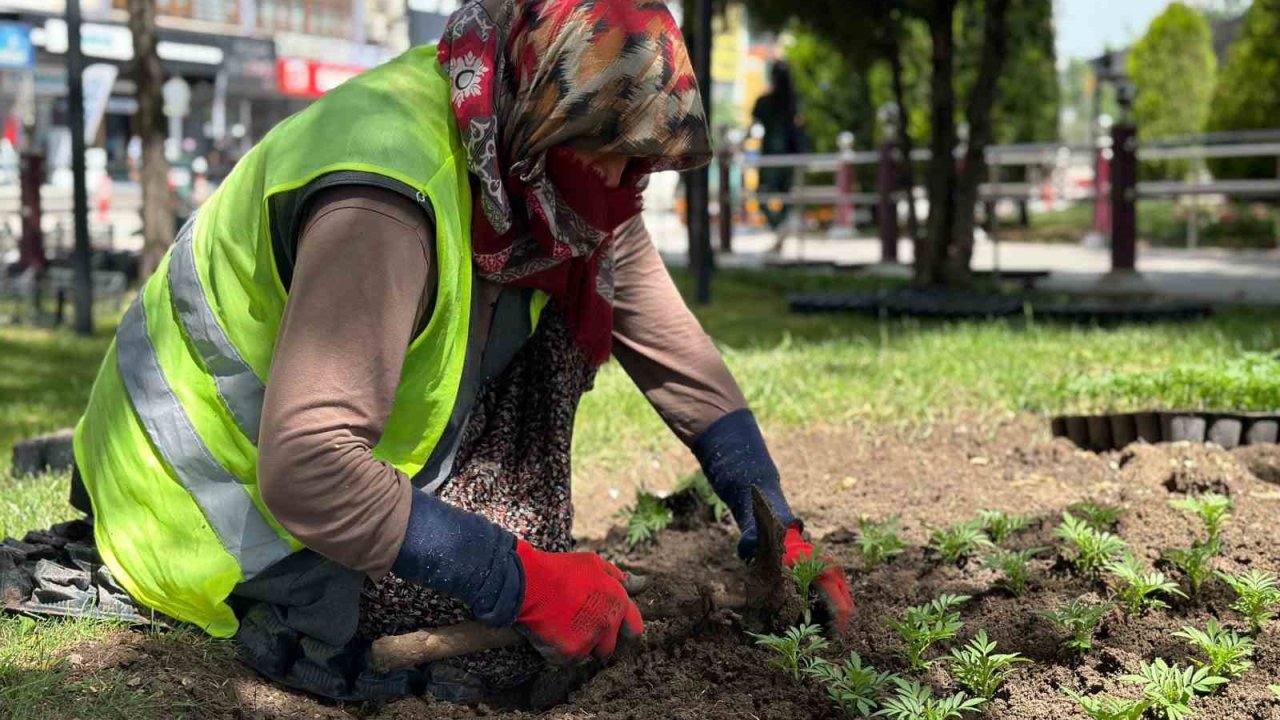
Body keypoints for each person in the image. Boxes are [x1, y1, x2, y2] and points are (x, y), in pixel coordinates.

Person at [67, 0, 852, 704]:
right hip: (204, 512)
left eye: (639, 158)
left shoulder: (529, 154)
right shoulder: (385, 193)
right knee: (496, 638)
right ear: (544, 105)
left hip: (300, 466)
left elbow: (676, 352)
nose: (622, 179)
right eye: (608, 151)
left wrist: (773, 520)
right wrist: (517, 581)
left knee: (581, 285)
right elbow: (307, 469)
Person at [751, 61, 807, 254]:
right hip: (790, 156)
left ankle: (779, 228)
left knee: (763, 195)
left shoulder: (765, 102)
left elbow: (755, 122)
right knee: (788, 197)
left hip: (770, 157)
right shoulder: (796, 103)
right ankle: (781, 228)